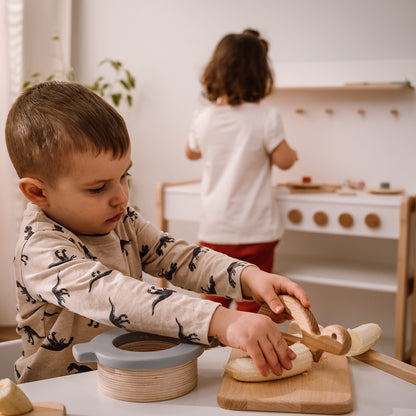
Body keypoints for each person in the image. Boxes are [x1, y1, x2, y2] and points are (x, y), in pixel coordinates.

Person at [5, 81, 309, 383]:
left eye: (124, 176)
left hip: (122, 382)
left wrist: (247, 277)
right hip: (55, 396)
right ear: (36, 192)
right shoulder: (41, 249)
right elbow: (117, 296)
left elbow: (178, 256)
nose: (120, 196)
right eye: (98, 188)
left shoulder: (121, 219)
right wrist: (220, 319)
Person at [185, 29, 298, 313]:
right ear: (260, 75)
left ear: (215, 72)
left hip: (215, 229)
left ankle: (214, 351)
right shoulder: (265, 117)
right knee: (254, 305)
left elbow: (191, 151)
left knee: (214, 306)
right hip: (255, 230)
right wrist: (292, 153)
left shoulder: (205, 117)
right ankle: (244, 355)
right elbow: (285, 161)